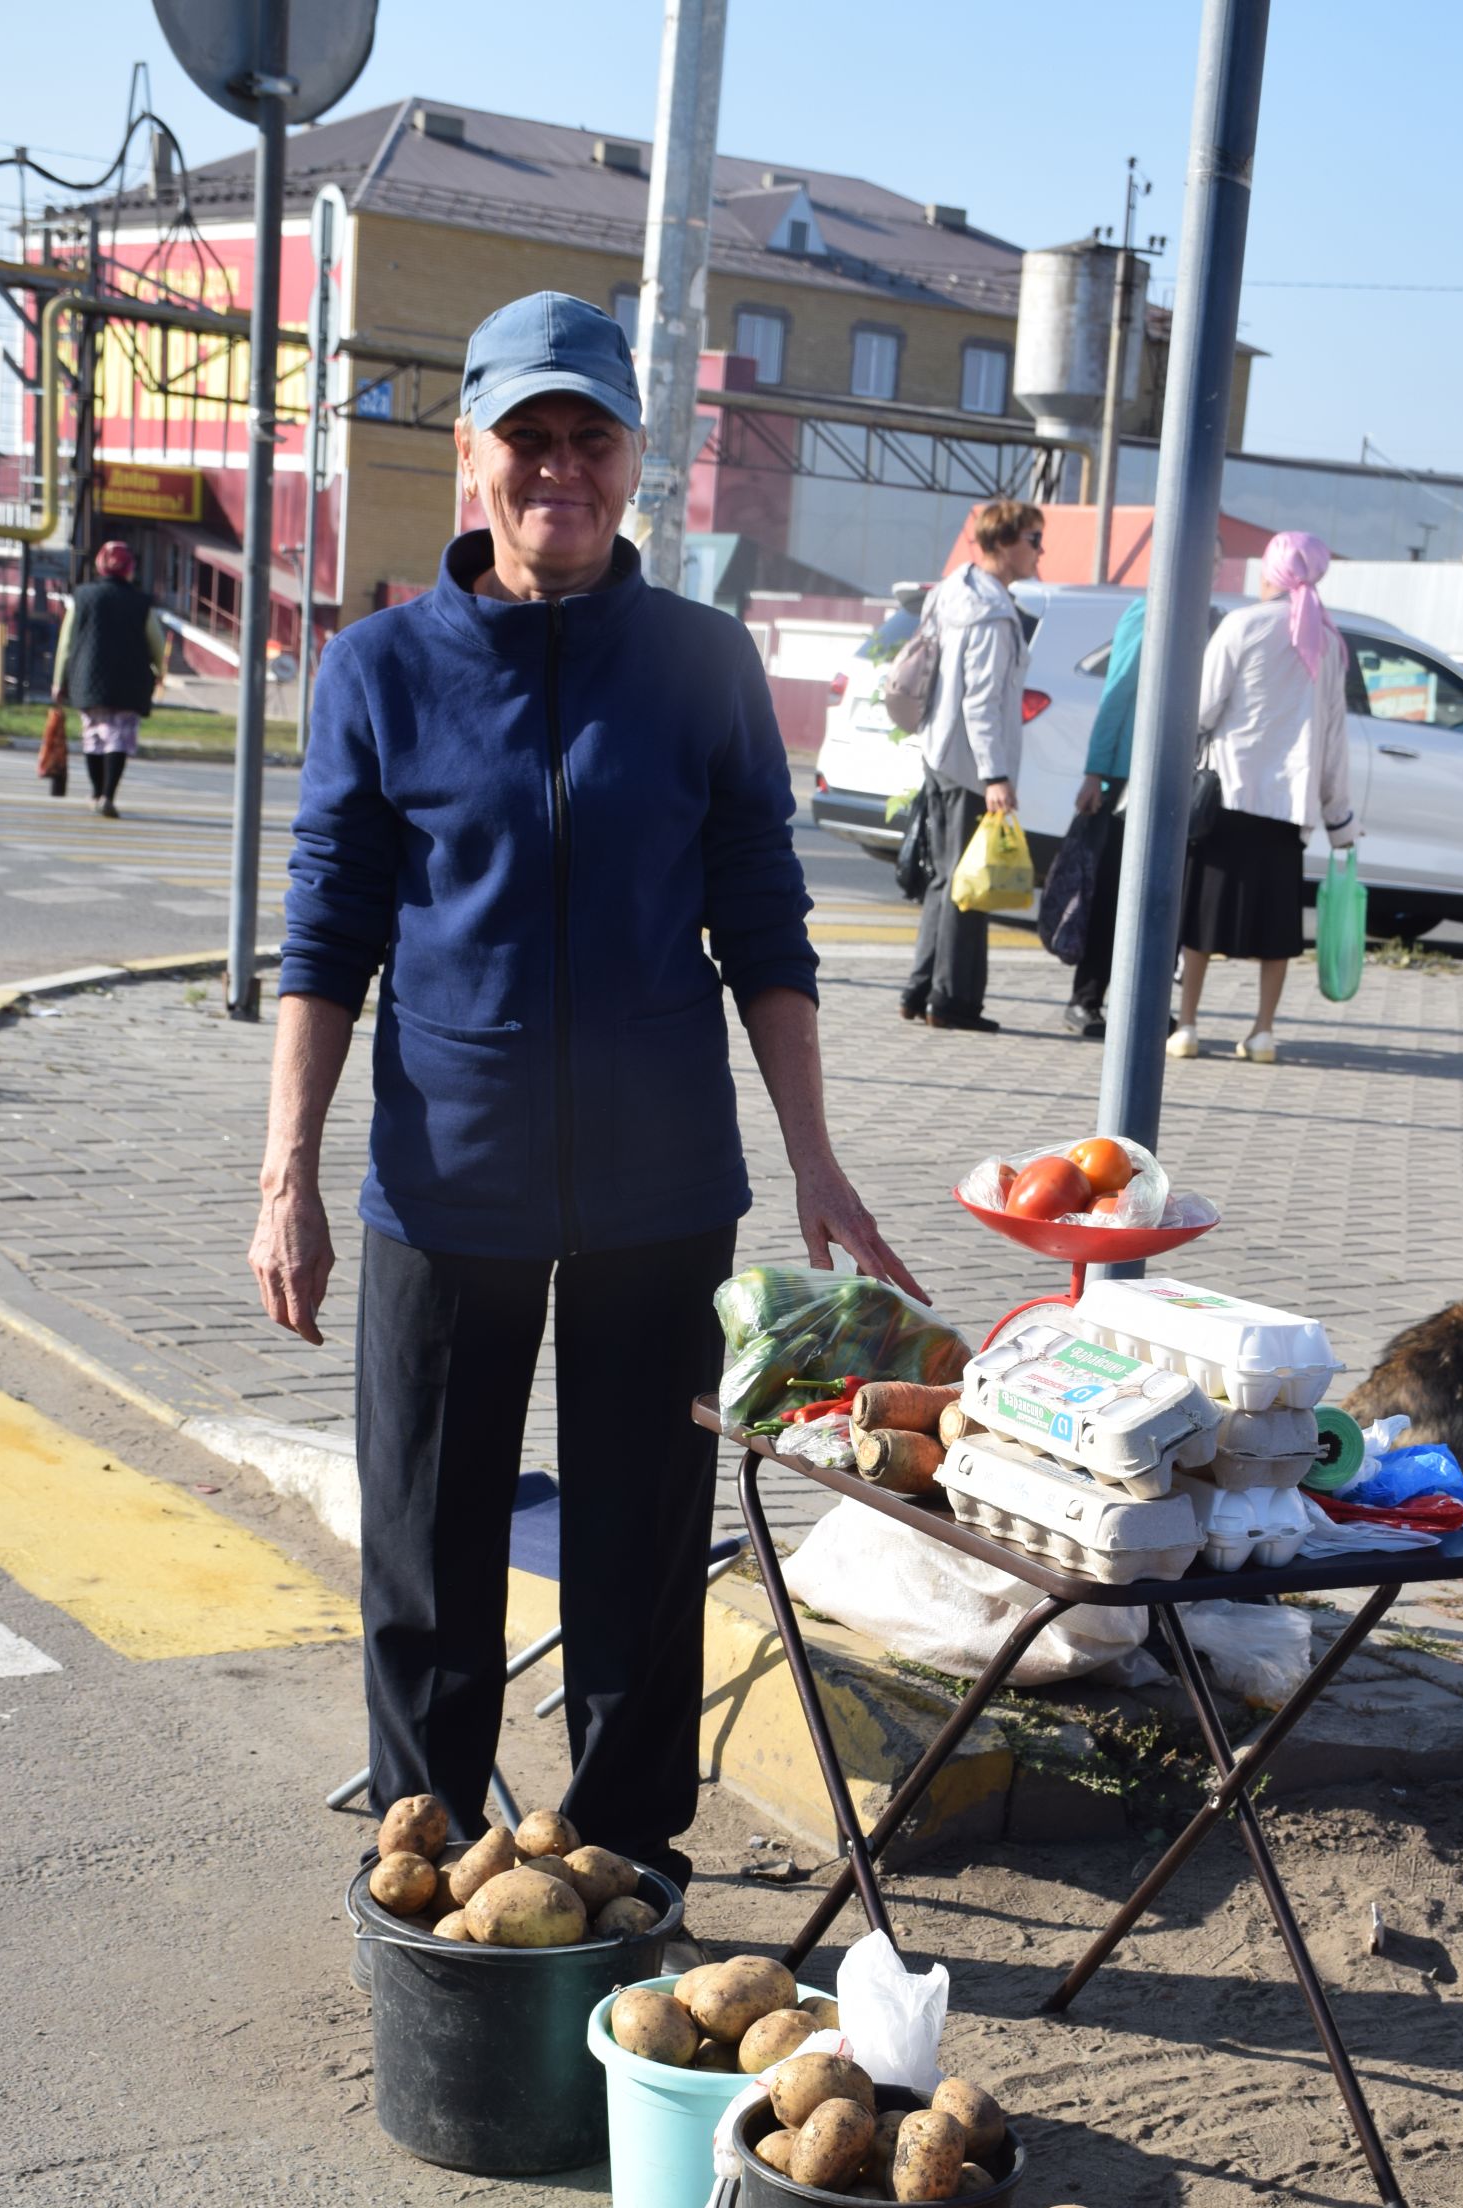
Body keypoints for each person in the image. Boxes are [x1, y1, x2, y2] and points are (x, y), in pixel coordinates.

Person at [249, 290, 915, 1888]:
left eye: (589, 438)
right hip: (444, 1173)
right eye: (527, 436)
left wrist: (816, 1156)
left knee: (636, 1541)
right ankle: (431, 1852)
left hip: (657, 1184)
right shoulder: (381, 668)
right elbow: (329, 924)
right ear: (472, 454)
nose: (559, 467)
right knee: (427, 1541)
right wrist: (285, 1171)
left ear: (636, 461)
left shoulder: (699, 664)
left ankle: (625, 1858)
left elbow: (762, 913)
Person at [1169, 531, 1358, 1065]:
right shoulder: (1327, 640)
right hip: (1288, 807)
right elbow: (1334, 737)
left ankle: (1186, 1025)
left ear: (1273, 573)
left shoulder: (1242, 625)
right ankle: (1263, 1032)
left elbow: (1202, 709)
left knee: (1204, 919)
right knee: (1276, 929)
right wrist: (1339, 816)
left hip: (1229, 793)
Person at [899, 497, 1043, 1035]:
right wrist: (997, 776)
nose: (1039, 551)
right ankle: (952, 1002)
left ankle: (919, 990)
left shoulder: (954, 591)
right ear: (1003, 543)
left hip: (939, 751)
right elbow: (982, 702)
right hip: (968, 765)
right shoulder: (994, 614)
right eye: (1033, 540)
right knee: (970, 884)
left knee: (945, 879)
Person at [1062, 588, 1145, 1038]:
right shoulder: (1148, 613)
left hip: (1167, 783)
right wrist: (1095, 772)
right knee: (1110, 896)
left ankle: (1140, 1002)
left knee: (1152, 903)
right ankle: (1086, 998)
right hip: (1122, 780)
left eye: (1214, 559)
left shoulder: (1206, 617)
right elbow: (1117, 692)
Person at [49, 539, 167, 818]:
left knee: (93, 737)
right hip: (130, 682)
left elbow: (66, 643)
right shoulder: (141, 602)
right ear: (130, 569)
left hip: (86, 679)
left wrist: (58, 680)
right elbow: (156, 642)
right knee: (118, 738)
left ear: (100, 566)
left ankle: (94, 792)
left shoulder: (82, 596)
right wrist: (161, 672)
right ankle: (108, 795)